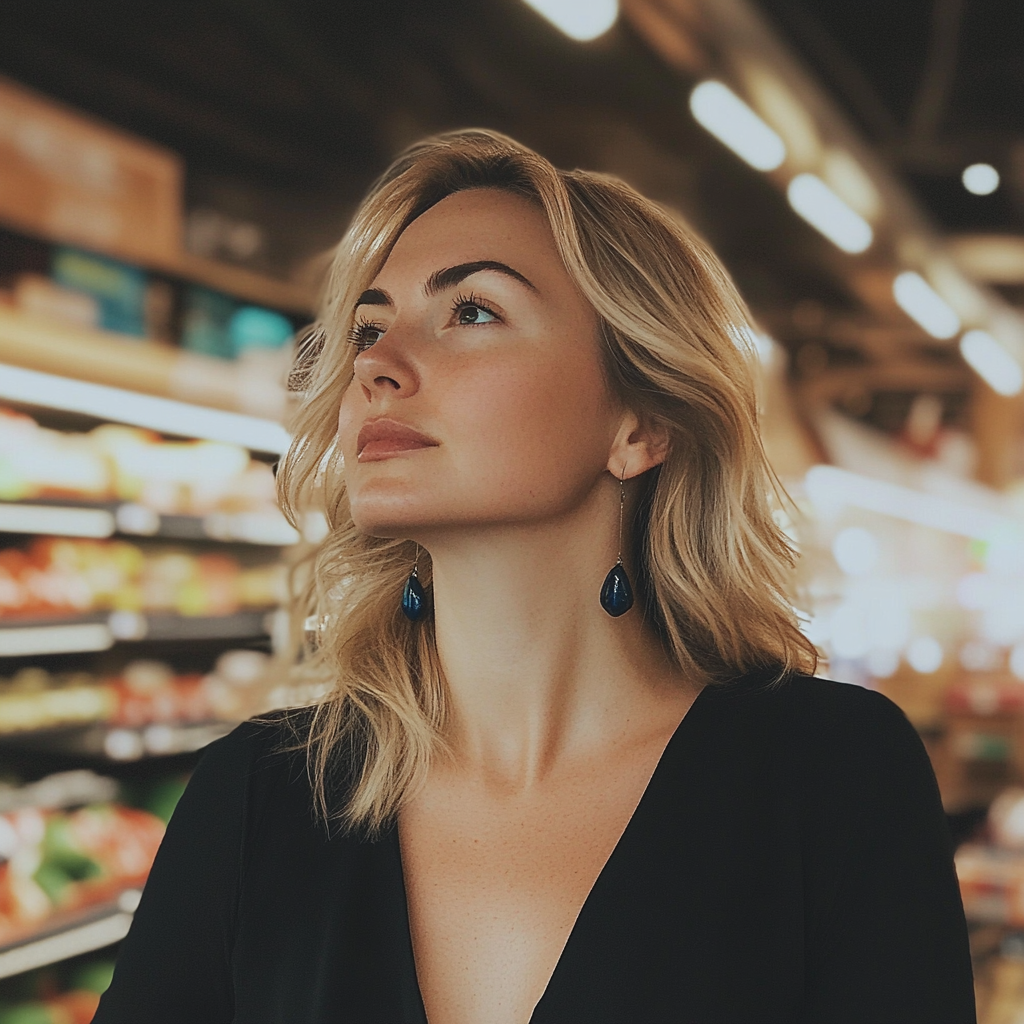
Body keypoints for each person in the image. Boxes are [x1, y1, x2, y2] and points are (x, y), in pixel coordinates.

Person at [93, 129, 975, 1024]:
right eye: (367, 326)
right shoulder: (256, 798)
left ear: (639, 425)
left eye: (472, 311)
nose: (375, 365)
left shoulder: (832, 778)